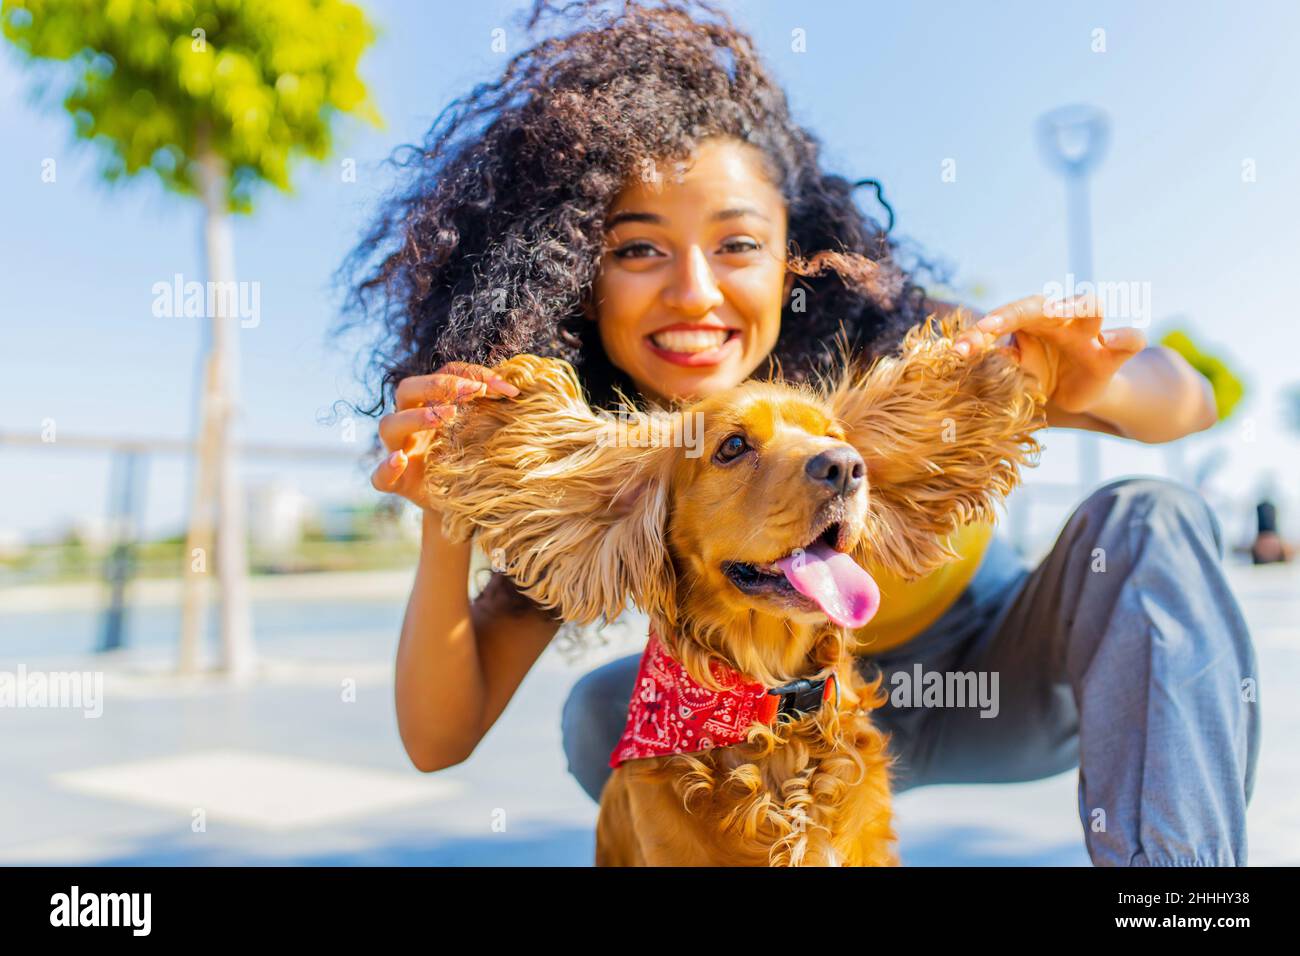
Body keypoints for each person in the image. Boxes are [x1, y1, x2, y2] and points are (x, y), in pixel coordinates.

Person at [343, 0, 1258, 866]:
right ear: (577, 276)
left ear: (793, 258)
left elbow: (1190, 402)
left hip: (998, 678)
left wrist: (1101, 377)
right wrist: (449, 505)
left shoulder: (900, 344)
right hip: (750, 715)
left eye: (737, 244)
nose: (695, 290)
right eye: (637, 249)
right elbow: (437, 737)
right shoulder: (618, 477)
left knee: (1150, 517)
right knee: (601, 713)